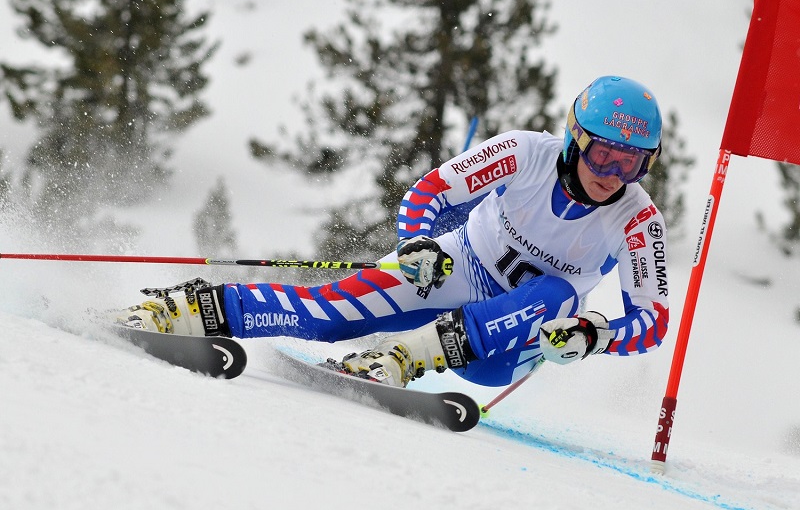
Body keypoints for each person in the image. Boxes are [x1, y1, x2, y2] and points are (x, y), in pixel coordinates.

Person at [117, 75, 669, 389]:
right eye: (603, 155)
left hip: (508, 343)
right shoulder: (526, 153)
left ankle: (403, 359)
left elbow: (652, 321)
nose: (612, 175)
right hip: (459, 265)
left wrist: (595, 335)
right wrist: (418, 243)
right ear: (576, 140)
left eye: (632, 163)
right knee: (327, 315)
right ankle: (188, 309)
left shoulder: (638, 220)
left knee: (551, 295)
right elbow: (430, 194)